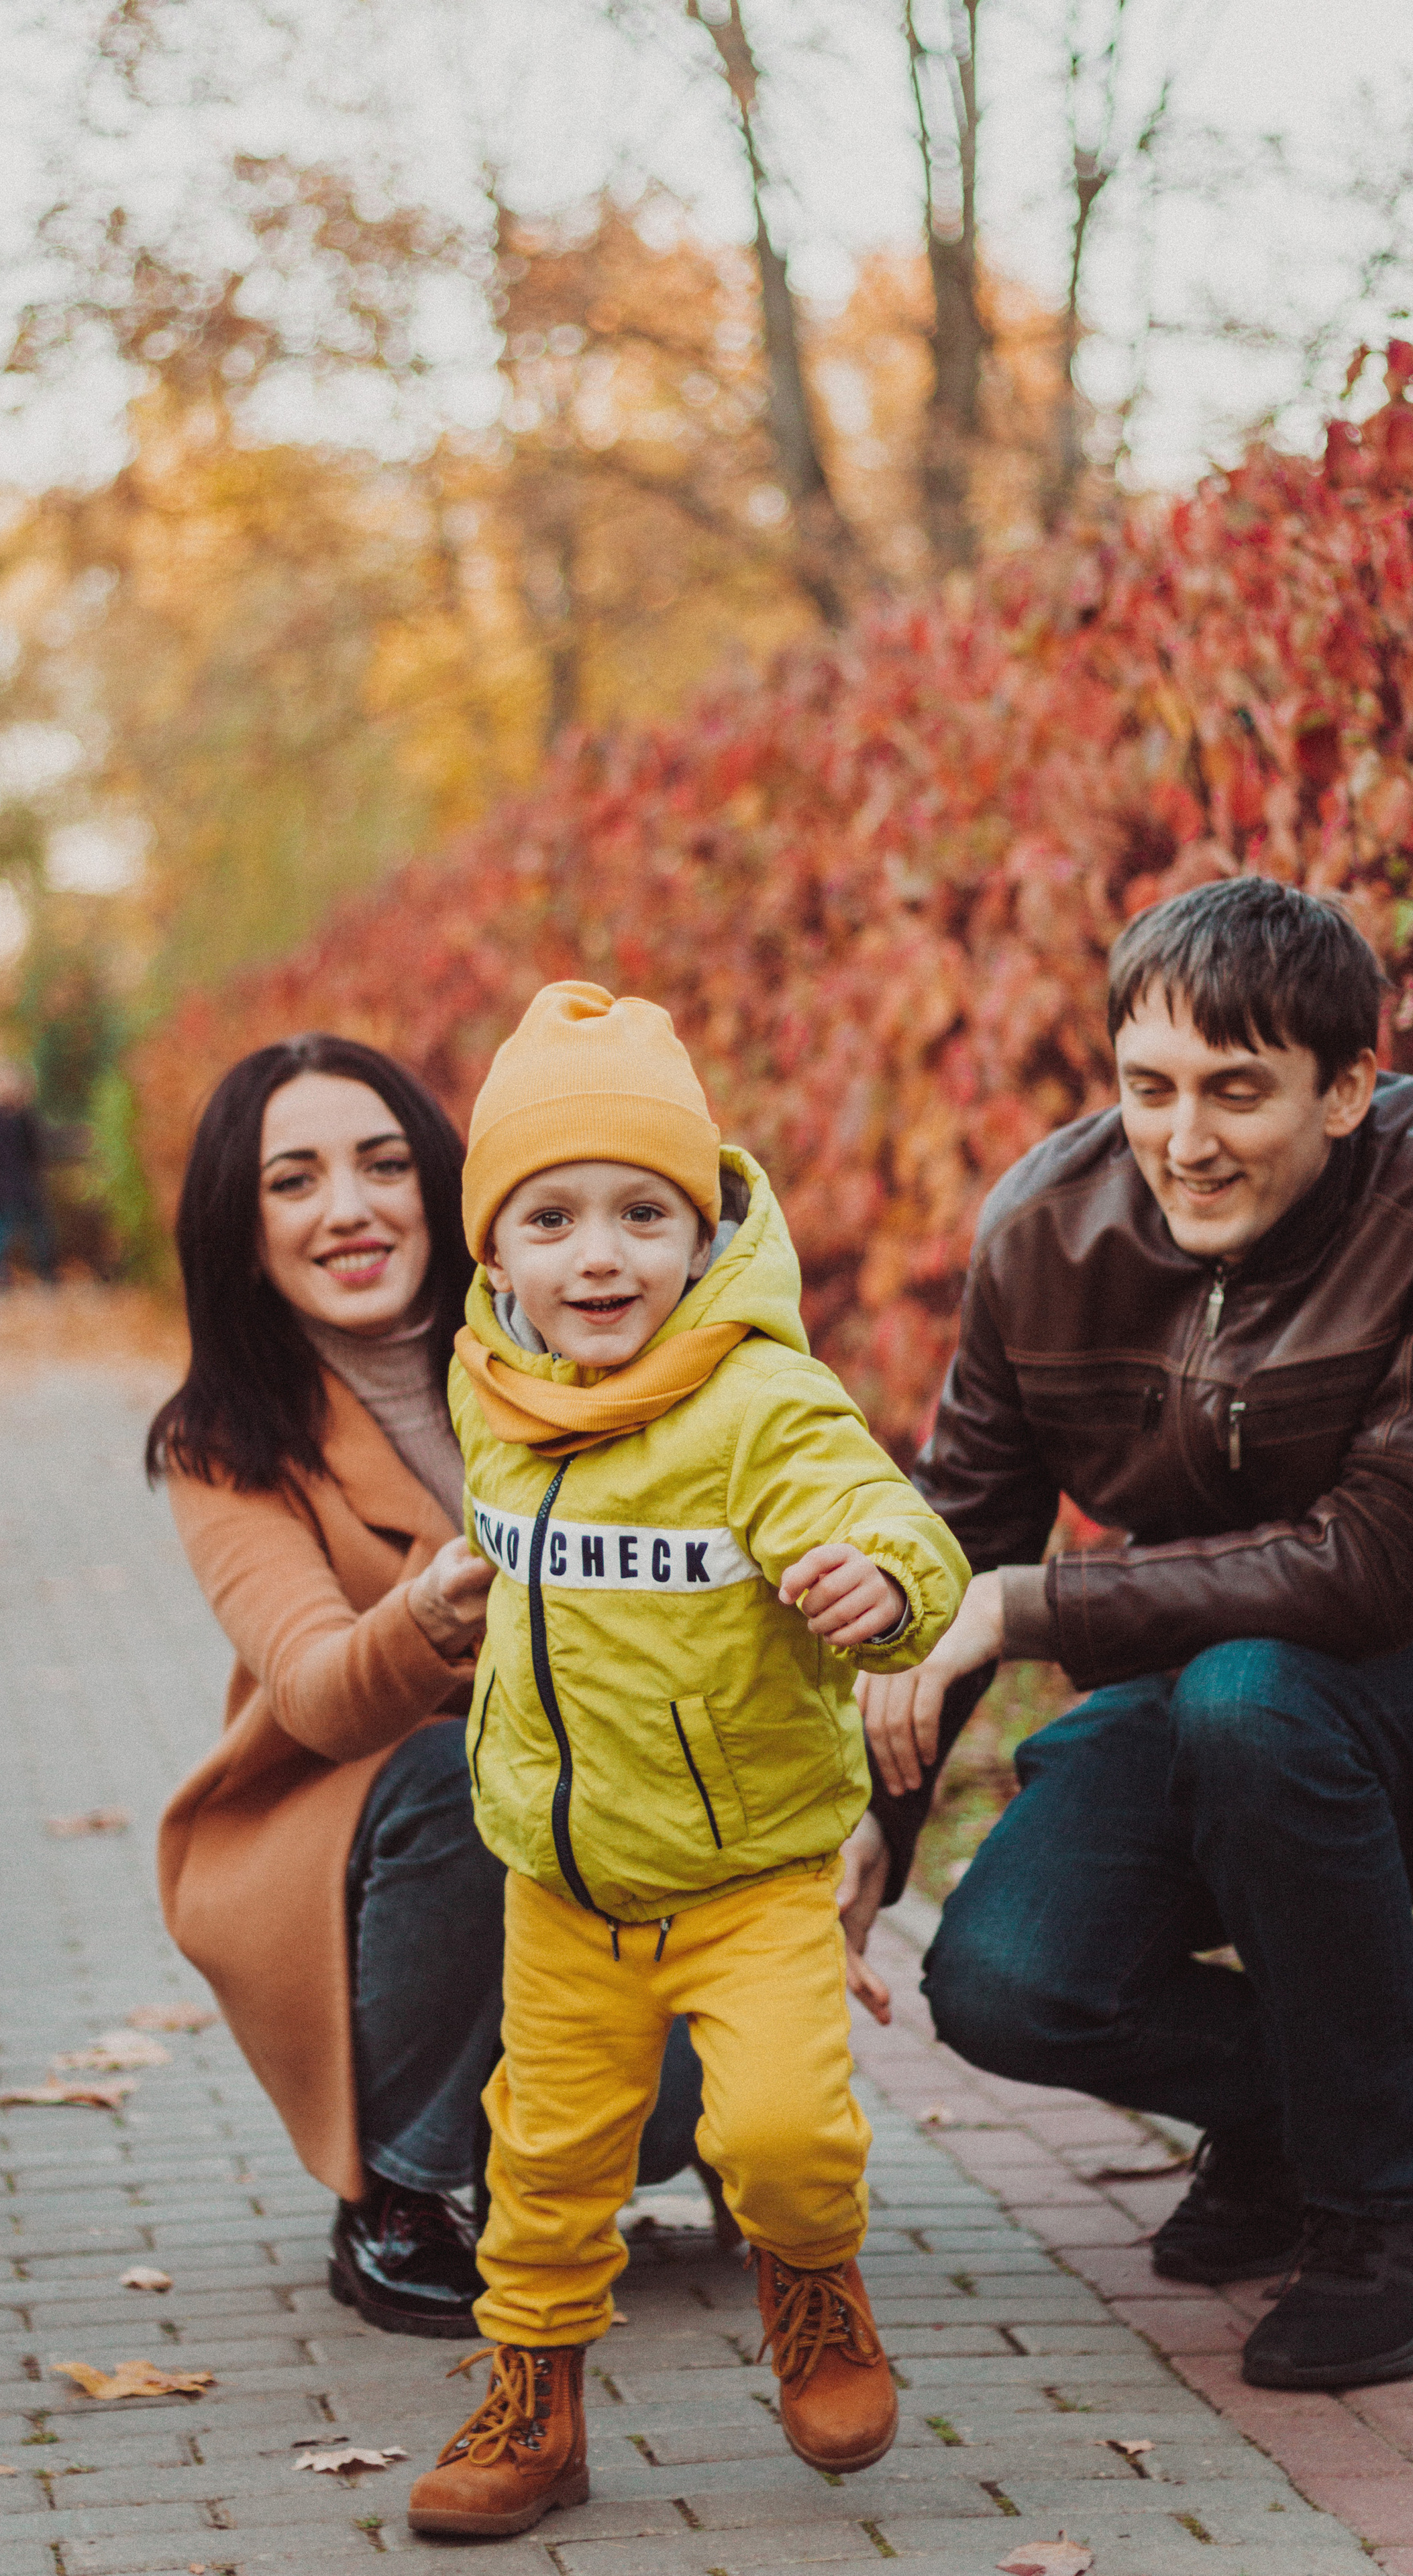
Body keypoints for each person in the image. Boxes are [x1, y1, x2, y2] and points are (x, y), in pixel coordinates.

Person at [840, 875, 1413, 2395]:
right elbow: (964, 1537)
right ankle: (1283, 2125)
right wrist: (870, 1823)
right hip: (1228, 1690)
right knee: (1006, 1975)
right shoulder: (1042, 1233)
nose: (1181, 1139)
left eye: (1234, 1091)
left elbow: (1371, 1569)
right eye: (1147, 1087)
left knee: (1248, 1691)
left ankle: (1392, 2216)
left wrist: (1027, 1608)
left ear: (1344, 1088)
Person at [405, 983, 969, 2541]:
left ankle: (813, 2285)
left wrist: (880, 1585)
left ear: (706, 1223)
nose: (601, 1254)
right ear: (497, 1252)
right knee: (539, 2157)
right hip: (560, 1881)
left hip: (748, 1874)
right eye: (554, 1216)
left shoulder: (755, 1399)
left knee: (781, 2132)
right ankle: (535, 2402)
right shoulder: (490, 1391)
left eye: (645, 1211)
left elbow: (889, 1523)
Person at [147, 1032, 711, 2342]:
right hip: (355, 1833)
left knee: (689, 2117)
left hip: (607, 1842)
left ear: (447, 1188)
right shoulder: (224, 1444)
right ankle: (398, 2192)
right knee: (461, 1780)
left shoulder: (569, 1342)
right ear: (243, 1233)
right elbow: (314, 1690)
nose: (347, 1209)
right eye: (294, 1182)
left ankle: (579, 2135)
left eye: (383, 1165)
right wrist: (433, 1611)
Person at [0, 1066, 57, 1288]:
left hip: (15, 1185)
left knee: (12, 1227)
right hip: (1, 1186)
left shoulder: (16, 1117)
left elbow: (34, 1148)